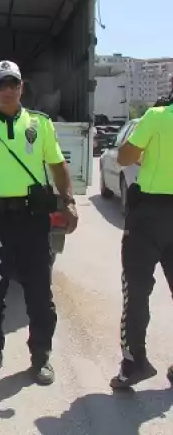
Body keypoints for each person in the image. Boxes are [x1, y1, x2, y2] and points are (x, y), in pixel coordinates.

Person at [0, 60, 78, 386]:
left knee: (39, 295)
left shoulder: (40, 124)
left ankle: (41, 358)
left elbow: (59, 166)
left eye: (13, 83)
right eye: (0, 84)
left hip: (33, 222)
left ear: (22, 87)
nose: (7, 90)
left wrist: (70, 202)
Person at [110, 93, 173, 389]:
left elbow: (125, 157)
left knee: (135, 293)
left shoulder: (157, 117)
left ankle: (135, 364)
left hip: (149, 217)